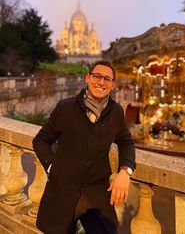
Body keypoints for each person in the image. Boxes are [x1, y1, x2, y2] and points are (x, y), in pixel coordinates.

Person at [33, 60, 136, 234]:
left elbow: (126, 142)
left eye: (107, 79)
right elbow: (41, 140)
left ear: (113, 85)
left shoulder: (116, 111)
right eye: (97, 76)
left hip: (96, 195)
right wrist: (52, 167)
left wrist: (125, 171)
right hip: (62, 191)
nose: (101, 82)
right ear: (87, 78)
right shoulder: (65, 107)